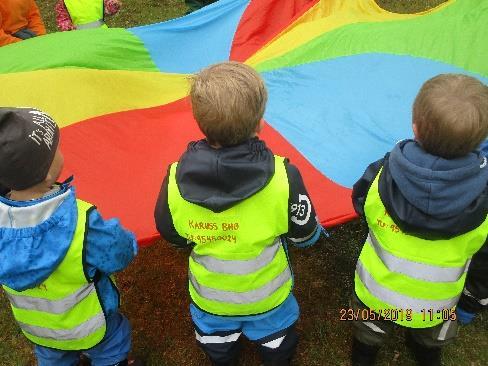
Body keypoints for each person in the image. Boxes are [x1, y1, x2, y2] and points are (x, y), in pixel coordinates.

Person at [154, 62, 324, 366]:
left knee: (216, 341)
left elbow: (170, 232)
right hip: (269, 299)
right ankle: (276, 352)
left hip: (210, 300)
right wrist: (308, 238)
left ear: (199, 121)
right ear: (259, 123)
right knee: (276, 339)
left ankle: (221, 350)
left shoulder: (174, 179)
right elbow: (305, 233)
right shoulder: (284, 177)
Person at [349, 74, 488, 366]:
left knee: (369, 327)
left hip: (376, 292)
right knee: (432, 336)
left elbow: (361, 203)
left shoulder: (381, 173)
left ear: (415, 128)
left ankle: (364, 353)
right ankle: (427, 352)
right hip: (437, 304)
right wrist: (472, 302)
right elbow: (484, 260)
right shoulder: (484, 203)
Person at [0, 107, 141, 366]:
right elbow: (119, 253)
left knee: (53, 357)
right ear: (46, 173)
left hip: (40, 328)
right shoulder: (81, 224)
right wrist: (130, 242)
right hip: (91, 323)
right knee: (112, 345)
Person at [54, 0, 120, 31]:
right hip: (80, 38)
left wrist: (113, 5)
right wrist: (67, 27)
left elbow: (109, 8)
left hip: (102, 33)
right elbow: (63, 19)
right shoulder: (65, 2)